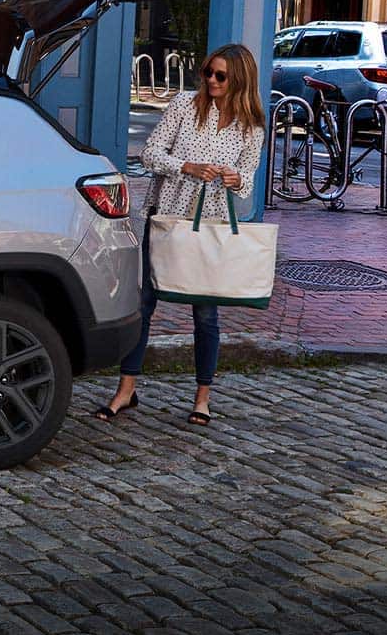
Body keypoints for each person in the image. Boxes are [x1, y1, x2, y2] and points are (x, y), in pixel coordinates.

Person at [96, 43, 265, 427]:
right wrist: (187, 167)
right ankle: (126, 390)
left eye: (221, 76)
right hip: (166, 218)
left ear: (239, 80)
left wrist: (235, 178)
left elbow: (248, 181)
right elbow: (150, 154)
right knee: (144, 304)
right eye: (208, 72)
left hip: (210, 225)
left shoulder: (251, 126)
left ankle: (202, 398)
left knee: (205, 314)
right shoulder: (184, 105)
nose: (211, 80)